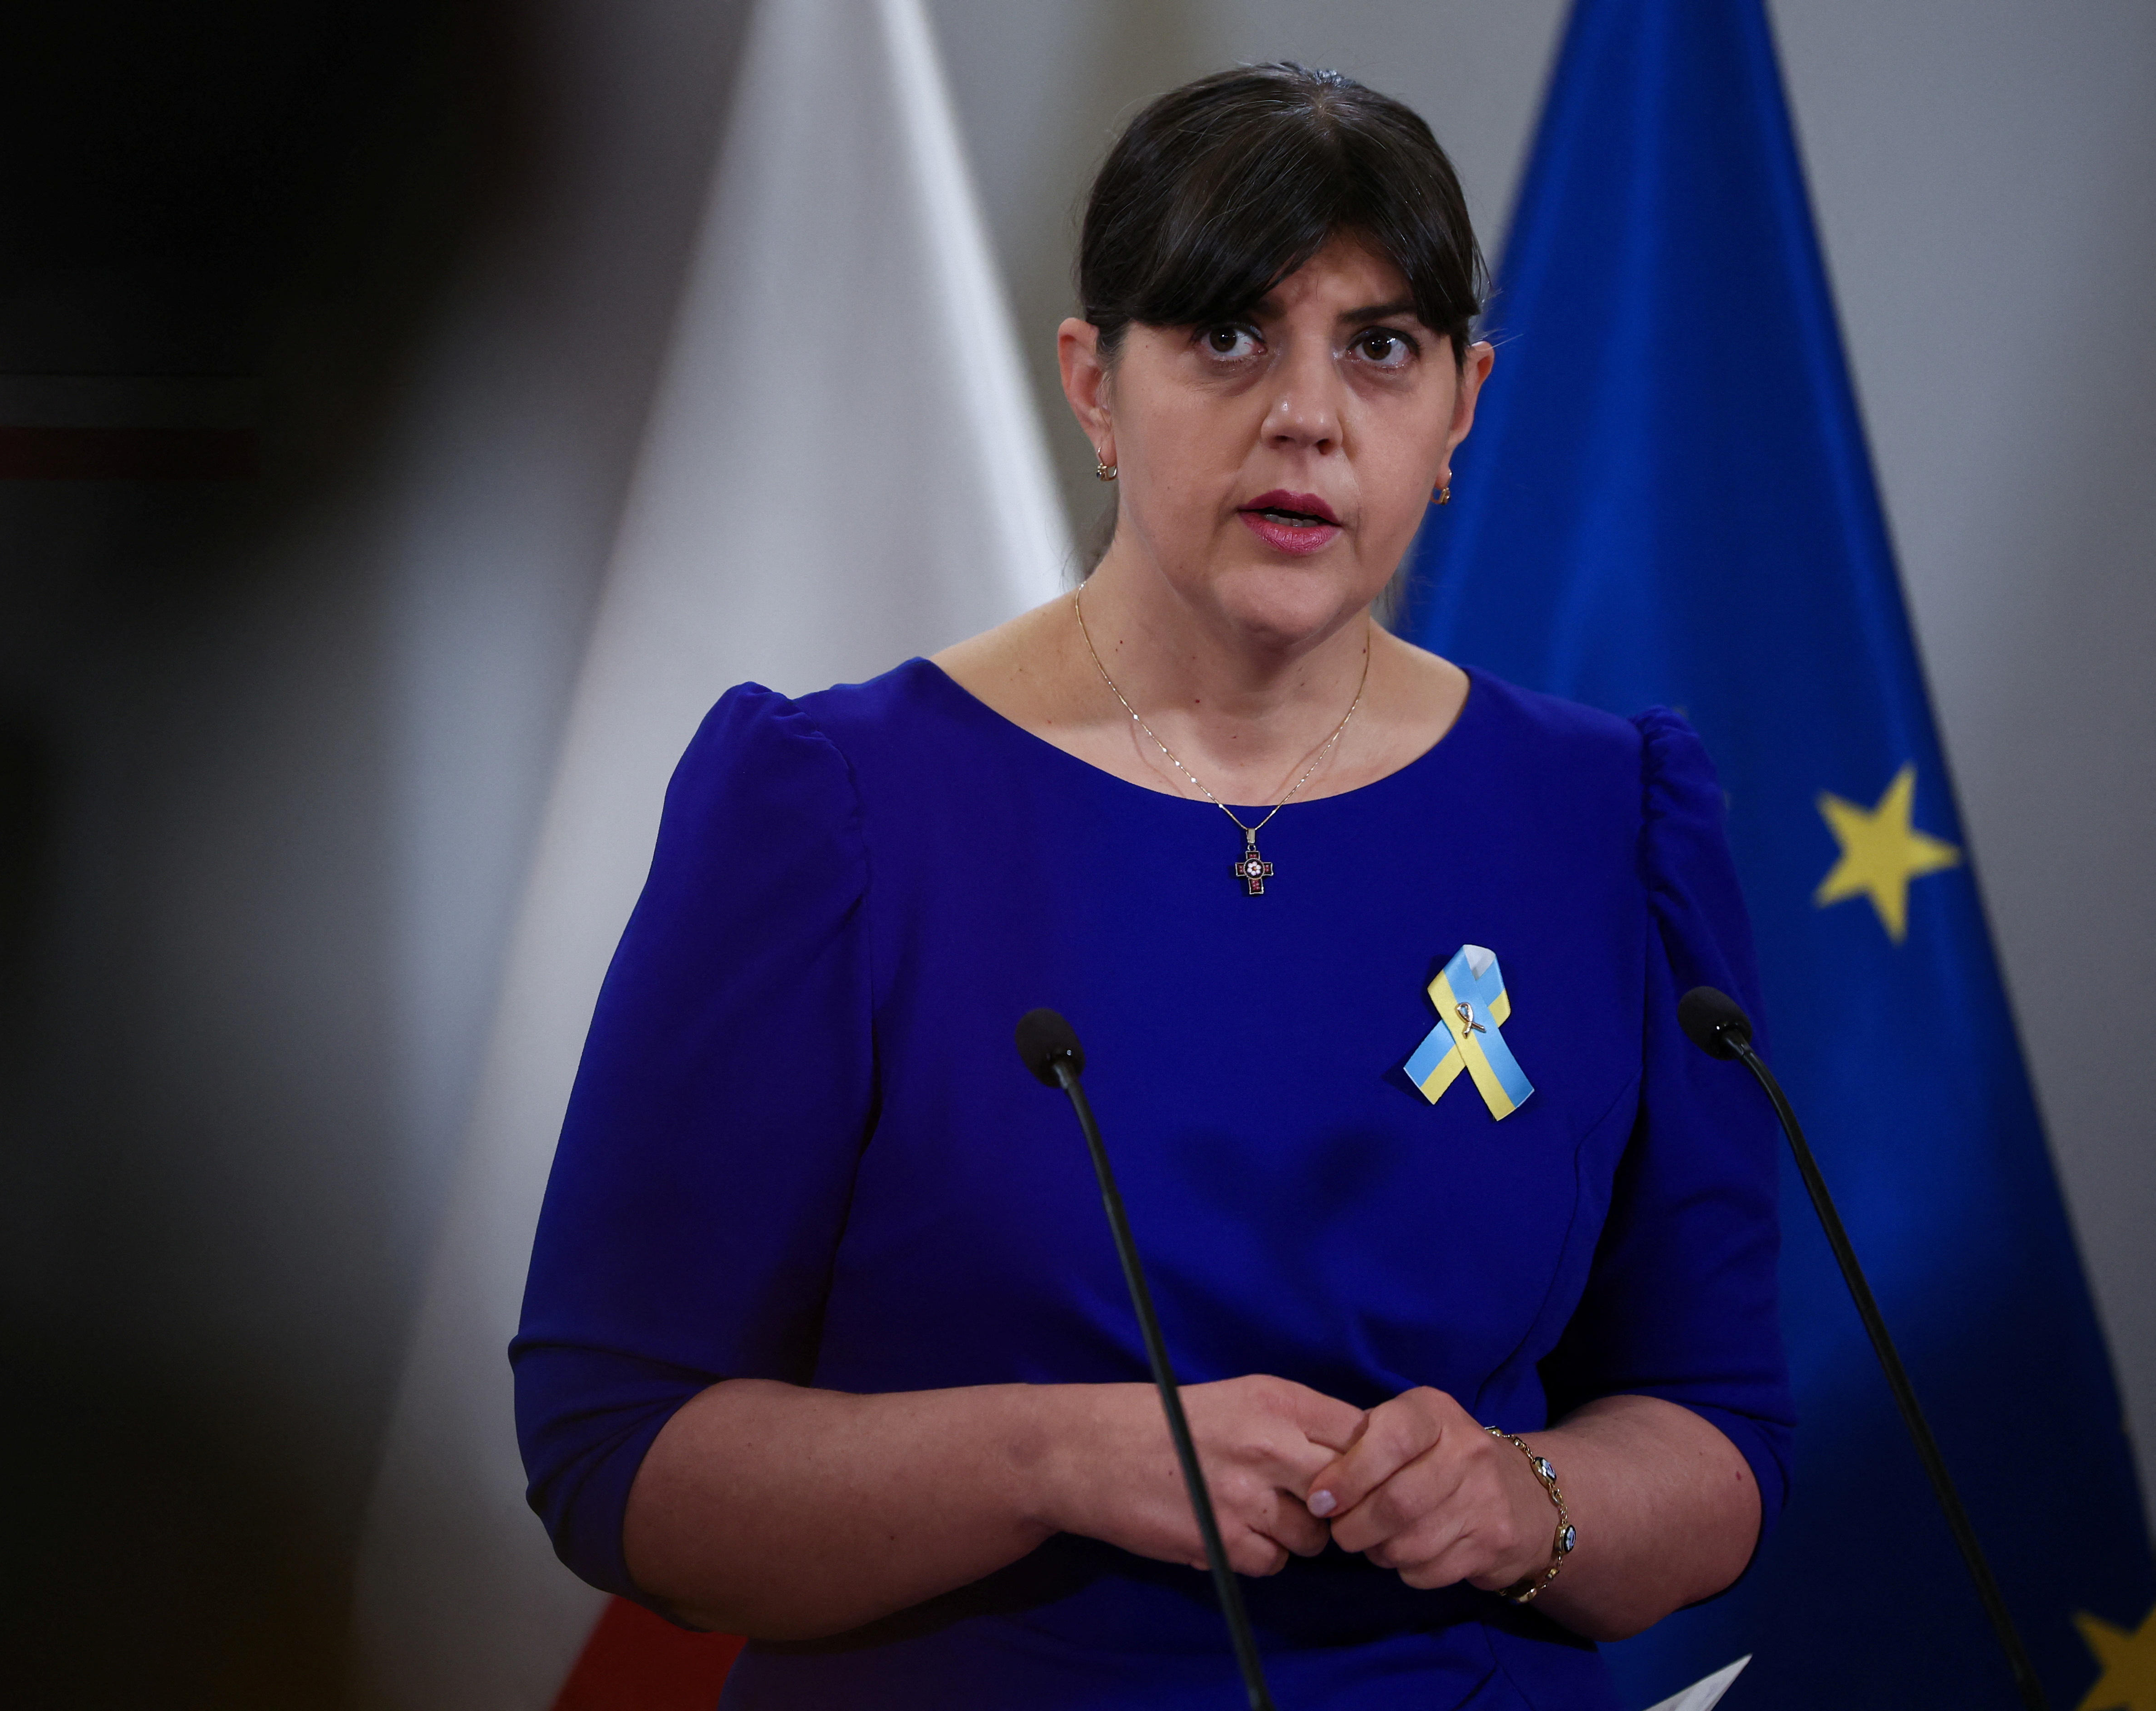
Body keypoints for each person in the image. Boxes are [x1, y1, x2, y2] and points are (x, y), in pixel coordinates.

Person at [512, 64, 1791, 1710]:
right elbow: (618, 1450)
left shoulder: (1609, 814)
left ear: (1462, 405)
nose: (1306, 415)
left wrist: (1518, 1500)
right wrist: (1053, 1453)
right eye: (1225, 335)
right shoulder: (828, 801)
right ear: (1093, 385)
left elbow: (1713, 1425)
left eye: (1379, 348)